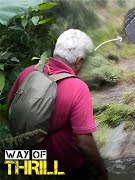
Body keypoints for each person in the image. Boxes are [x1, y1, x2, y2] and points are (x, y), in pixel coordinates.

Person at [8, 29, 108, 179]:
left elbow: (11, 108)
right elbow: (84, 143)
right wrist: (102, 172)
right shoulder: (77, 88)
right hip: (60, 170)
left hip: (23, 163)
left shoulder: (28, 73)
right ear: (79, 61)